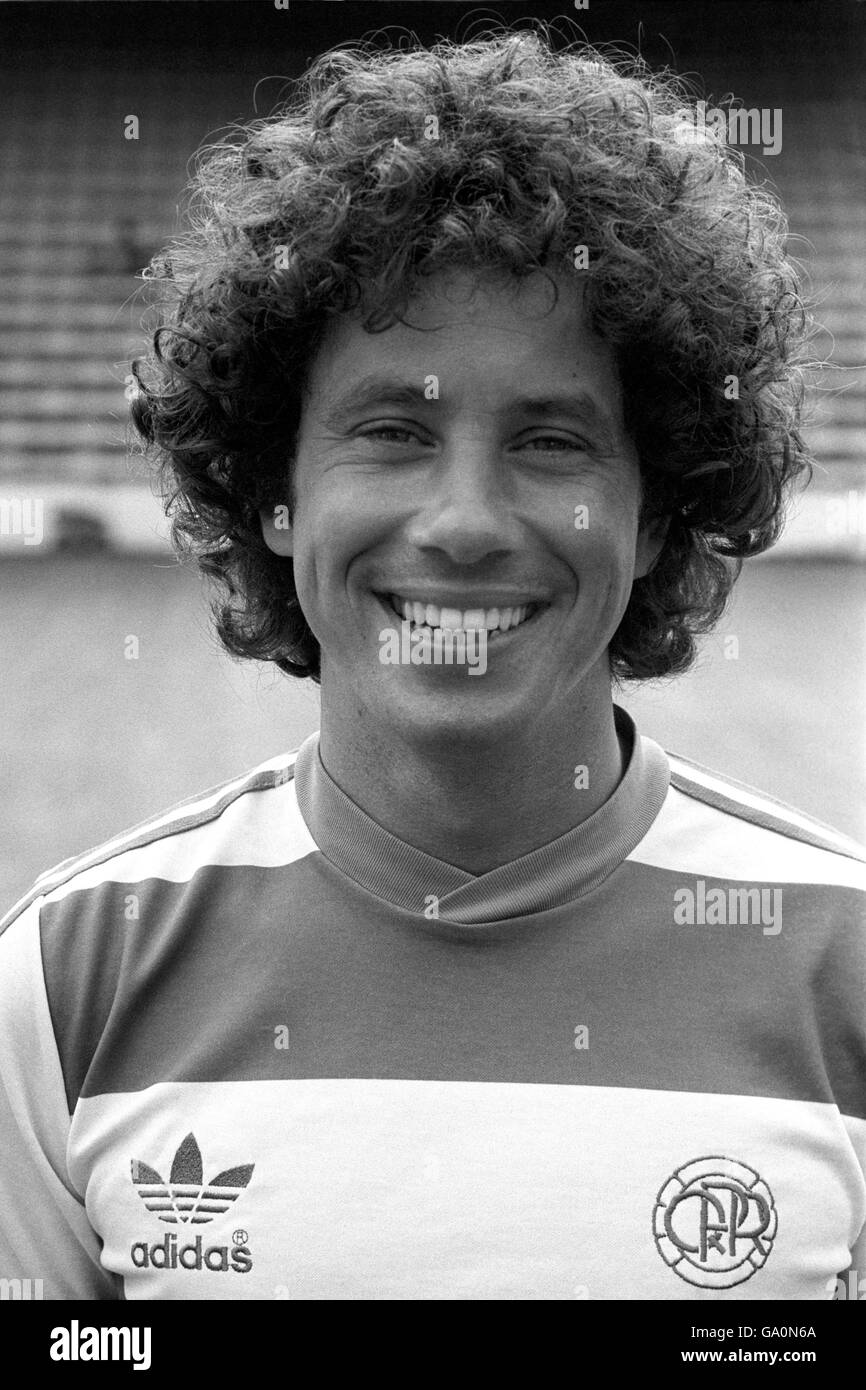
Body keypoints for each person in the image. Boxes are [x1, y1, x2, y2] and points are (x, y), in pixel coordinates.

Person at [1, 30, 864, 1302]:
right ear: (271, 493)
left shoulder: (843, 967)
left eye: (551, 440)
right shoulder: (66, 981)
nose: (462, 520)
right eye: (392, 430)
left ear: (655, 512)